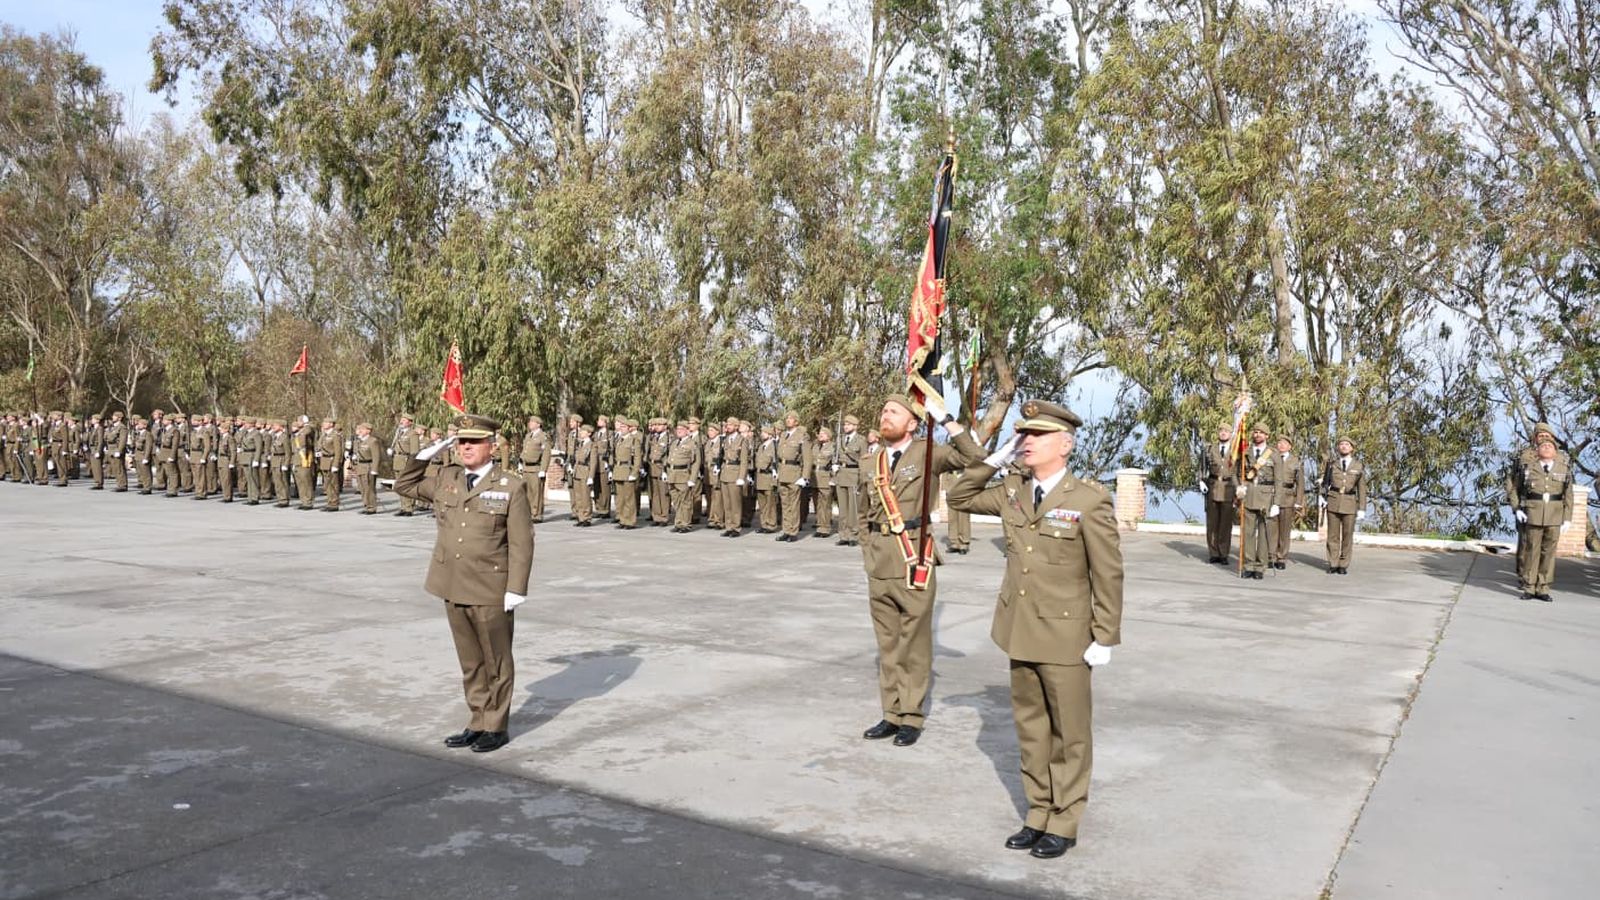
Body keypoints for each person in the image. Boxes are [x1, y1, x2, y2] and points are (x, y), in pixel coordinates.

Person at [947, 399, 1122, 860]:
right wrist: (994, 459)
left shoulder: (1088, 500)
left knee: (1069, 734)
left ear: (1065, 445)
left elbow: (1108, 573)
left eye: (1037, 435)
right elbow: (959, 498)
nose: (1027, 441)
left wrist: (1104, 635)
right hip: (1019, 630)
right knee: (1031, 729)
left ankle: (1064, 820)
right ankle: (1038, 812)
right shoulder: (1013, 491)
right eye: (1024, 434)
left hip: (1067, 637)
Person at [394, 414, 533, 754]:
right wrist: (425, 453)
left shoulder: (510, 486)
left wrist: (516, 588)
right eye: (461, 441)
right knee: (470, 661)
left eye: (474, 442)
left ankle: (496, 726)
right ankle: (478, 720)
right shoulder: (448, 477)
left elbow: (522, 542)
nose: (466, 447)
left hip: (489, 587)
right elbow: (405, 485)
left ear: (492, 447)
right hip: (452, 583)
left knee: (496, 661)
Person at [856, 393, 980, 747]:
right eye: (884, 410)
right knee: (888, 644)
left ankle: (911, 716)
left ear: (912, 423)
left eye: (894, 412)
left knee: (914, 642)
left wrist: (946, 420)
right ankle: (891, 714)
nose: (885, 415)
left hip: (913, 559)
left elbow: (973, 457)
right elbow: (862, 514)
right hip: (880, 562)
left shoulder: (927, 453)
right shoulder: (871, 461)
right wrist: (868, 552)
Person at [1505, 425, 1574, 601]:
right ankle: (1528, 584)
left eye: (1548, 440)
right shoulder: (1526, 462)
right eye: (1541, 439)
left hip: (1553, 514)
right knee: (1529, 549)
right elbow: (1514, 484)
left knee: (1548, 553)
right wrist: (1517, 508)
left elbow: (1568, 494)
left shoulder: (1562, 464)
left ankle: (1543, 587)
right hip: (1531, 511)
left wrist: (1567, 518)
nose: (1545, 443)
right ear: (1535, 442)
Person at [1319, 437, 1367, 574]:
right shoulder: (1332, 464)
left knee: (1347, 536)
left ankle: (1343, 564)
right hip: (1333, 501)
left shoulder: (1358, 466)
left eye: (1347, 444)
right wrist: (1323, 497)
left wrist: (1362, 508)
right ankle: (1333, 563)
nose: (1344, 446)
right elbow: (1326, 482)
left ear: (1352, 448)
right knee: (1332, 536)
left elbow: (1362, 488)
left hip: (1350, 502)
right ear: (1338, 447)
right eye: (1341, 444)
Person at [1237, 425, 1279, 580]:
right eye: (1255, 432)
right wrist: (1239, 487)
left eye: (1261, 433)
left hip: (1266, 497)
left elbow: (1279, 480)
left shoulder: (1273, 454)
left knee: (1263, 534)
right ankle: (1248, 565)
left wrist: (1277, 503)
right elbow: (1236, 473)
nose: (1257, 434)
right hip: (1248, 495)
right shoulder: (1245, 453)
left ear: (1267, 436)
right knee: (1247, 533)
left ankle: (1260, 566)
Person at [1200, 423, 1237, 564]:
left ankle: (1223, 553)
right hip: (1213, 486)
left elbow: (1239, 470)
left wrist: (1239, 489)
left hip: (1229, 488)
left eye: (1226, 431)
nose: (1223, 433)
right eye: (1221, 430)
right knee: (1212, 522)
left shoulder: (1235, 450)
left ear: (1231, 434)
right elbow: (1202, 467)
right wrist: (1201, 481)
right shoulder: (1209, 449)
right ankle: (1213, 552)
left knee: (1225, 524)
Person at [1269, 433, 1306, 570]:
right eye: (1279, 443)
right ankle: (1271, 556)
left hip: (1287, 497)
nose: (1281, 445)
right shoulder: (1271, 458)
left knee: (1284, 530)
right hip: (1272, 496)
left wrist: (1298, 501)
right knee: (1272, 528)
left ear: (1290, 446)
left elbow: (1300, 483)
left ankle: (1281, 557)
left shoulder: (1295, 461)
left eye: (1284, 443)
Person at [775, 411, 813, 541]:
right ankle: (786, 530)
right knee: (785, 504)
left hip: (794, 473)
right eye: (787, 418)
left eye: (791, 418)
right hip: (783, 472)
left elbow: (807, 458)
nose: (788, 420)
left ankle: (793, 531)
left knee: (794, 504)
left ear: (796, 421)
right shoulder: (783, 435)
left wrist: (805, 477)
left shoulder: (802, 436)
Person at [519, 415, 551, 522]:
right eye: (530, 422)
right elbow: (525, 450)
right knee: (527, 492)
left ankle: (536, 514)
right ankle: (529, 513)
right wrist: (521, 462)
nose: (530, 424)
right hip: (526, 468)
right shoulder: (528, 436)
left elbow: (546, 454)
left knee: (536, 493)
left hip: (536, 468)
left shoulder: (543, 436)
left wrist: (543, 470)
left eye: (532, 422)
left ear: (538, 424)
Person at [352, 422, 380, 514]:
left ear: (368, 431)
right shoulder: (358, 441)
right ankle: (366, 505)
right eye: (360, 429)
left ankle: (372, 507)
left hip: (368, 466)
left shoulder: (372, 441)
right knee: (362, 487)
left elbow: (376, 456)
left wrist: (374, 469)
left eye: (362, 429)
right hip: (360, 466)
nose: (360, 431)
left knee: (369, 488)